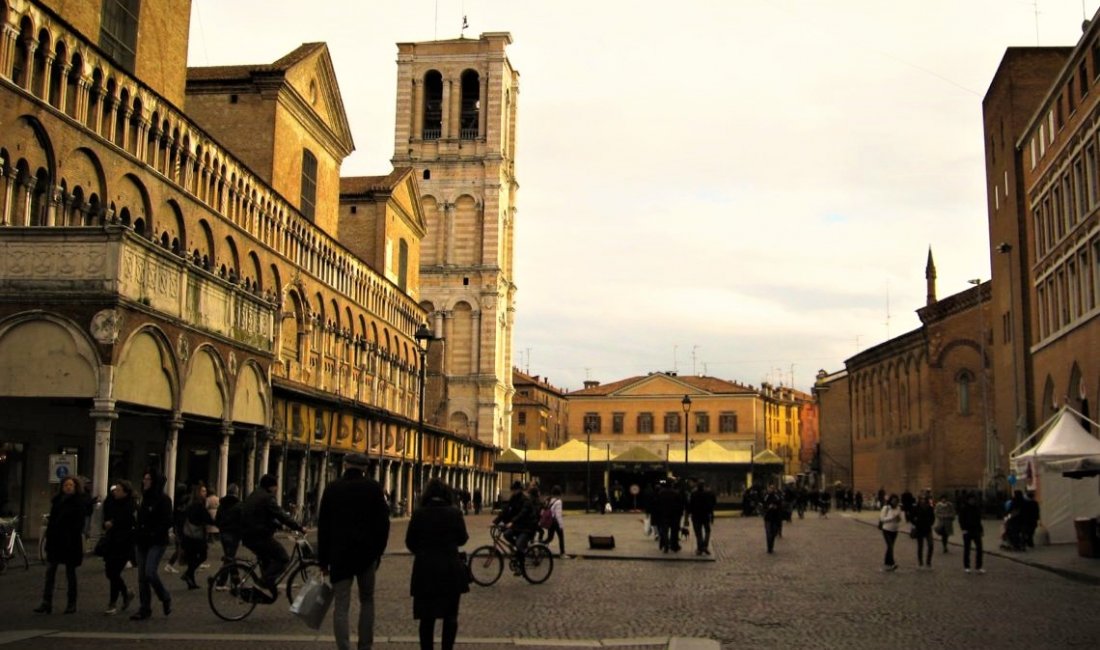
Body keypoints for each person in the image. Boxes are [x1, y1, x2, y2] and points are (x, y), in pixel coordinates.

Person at [318, 454, 390, 650]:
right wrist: (378, 552)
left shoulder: (332, 489)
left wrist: (323, 561)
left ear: (345, 465)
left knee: (341, 604)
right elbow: (383, 524)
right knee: (367, 600)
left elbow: (323, 526)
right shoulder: (374, 488)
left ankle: (344, 647)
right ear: (364, 468)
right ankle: (365, 646)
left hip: (339, 555)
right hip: (367, 555)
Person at [405, 479, 469, 650]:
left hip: (425, 570)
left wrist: (423, 550)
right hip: (450, 569)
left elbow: (410, 542)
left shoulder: (419, 513)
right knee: (450, 616)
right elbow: (463, 538)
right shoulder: (454, 513)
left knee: (426, 618)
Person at [241, 474, 305, 602]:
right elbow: (280, 514)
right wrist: (299, 527)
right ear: (271, 486)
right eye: (276, 486)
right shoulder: (267, 498)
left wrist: (278, 525)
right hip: (259, 536)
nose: (277, 489)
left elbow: (263, 515)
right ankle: (261, 584)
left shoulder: (255, 495)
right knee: (282, 558)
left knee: (268, 562)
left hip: (248, 535)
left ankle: (268, 590)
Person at [34, 475, 87, 614]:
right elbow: (52, 523)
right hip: (55, 542)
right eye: (66, 485)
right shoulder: (57, 501)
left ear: (75, 487)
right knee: (50, 571)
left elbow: (79, 524)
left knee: (70, 573)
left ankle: (71, 603)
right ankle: (46, 602)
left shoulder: (78, 503)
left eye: (71, 485)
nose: (68, 487)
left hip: (70, 543)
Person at [131, 469, 173, 620]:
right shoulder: (144, 498)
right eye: (144, 479)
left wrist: (153, 532)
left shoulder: (164, 500)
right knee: (142, 577)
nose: (145, 481)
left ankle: (165, 596)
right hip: (141, 541)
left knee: (150, 572)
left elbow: (167, 521)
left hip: (156, 541)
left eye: (148, 479)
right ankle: (145, 608)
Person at [101, 480, 136, 615]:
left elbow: (128, 521)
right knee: (110, 572)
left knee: (114, 572)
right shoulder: (111, 502)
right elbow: (106, 518)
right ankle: (126, 592)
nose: (116, 491)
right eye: (115, 489)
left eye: (119, 490)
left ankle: (112, 603)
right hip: (112, 541)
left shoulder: (131, 505)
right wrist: (107, 524)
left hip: (124, 543)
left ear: (126, 492)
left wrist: (113, 523)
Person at [493, 481, 536, 565]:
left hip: (527, 527)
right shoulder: (513, 498)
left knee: (519, 544)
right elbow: (506, 510)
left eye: (515, 490)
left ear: (520, 490)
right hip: (518, 526)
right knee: (506, 534)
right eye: (512, 490)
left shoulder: (525, 500)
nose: (513, 492)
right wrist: (495, 522)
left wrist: (512, 522)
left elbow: (522, 513)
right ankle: (518, 549)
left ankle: (521, 563)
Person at [180, 483, 214, 590]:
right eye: (203, 491)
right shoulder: (199, 506)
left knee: (192, 558)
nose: (205, 493)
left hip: (188, 536)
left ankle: (191, 581)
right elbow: (207, 518)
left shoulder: (190, 505)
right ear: (198, 493)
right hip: (196, 536)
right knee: (202, 555)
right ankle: (188, 574)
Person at [214, 484, 242, 570]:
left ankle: (228, 578)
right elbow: (242, 519)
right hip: (234, 534)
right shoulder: (239, 505)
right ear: (236, 492)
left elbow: (217, 519)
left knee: (229, 557)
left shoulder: (222, 505)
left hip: (223, 533)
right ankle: (225, 579)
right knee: (230, 557)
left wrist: (221, 527)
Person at [958, 493, 985, 574]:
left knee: (979, 548)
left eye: (973, 499)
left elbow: (978, 520)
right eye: (971, 499)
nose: (972, 501)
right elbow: (961, 519)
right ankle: (967, 566)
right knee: (967, 549)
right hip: (967, 531)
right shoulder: (964, 509)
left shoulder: (976, 508)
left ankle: (978, 566)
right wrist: (963, 529)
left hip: (976, 530)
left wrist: (981, 530)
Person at [688, 479, 716, 555]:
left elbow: (690, 504)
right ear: (704, 486)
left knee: (698, 533)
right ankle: (705, 546)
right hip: (705, 515)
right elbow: (713, 503)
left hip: (696, 515)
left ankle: (700, 548)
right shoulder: (709, 493)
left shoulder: (693, 494)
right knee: (707, 531)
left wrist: (689, 513)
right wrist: (710, 512)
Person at [909, 494, 936, 569]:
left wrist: (930, 523)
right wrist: (915, 522)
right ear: (919, 500)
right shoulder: (916, 508)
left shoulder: (930, 508)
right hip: (919, 529)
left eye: (924, 499)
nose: (923, 500)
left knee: (931, 545)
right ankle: (920, 562)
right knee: (920, 546)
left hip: (927, 529)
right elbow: (911, 517)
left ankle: (928, 561)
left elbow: (933, 517)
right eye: (921, 499)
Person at [879, 494, 903, 572]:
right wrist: (892, 517)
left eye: (896, 501)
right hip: (886, 529)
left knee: (890, 546)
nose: (894, 502)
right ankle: (892, 563)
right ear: (890, 501)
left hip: (894, 530)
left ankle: (887, 562)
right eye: (893, 500)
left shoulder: (898, 508)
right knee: (890, 546)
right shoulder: (886, 508)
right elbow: (882, 519)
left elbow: (899, 520)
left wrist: (898, 518)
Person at [541, 485, 566, 557]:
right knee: (561, 537)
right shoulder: (558, 501)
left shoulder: (549, 500)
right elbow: (558, 515)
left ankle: (540, 545)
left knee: (550, 538)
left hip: (550, 521)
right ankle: (562, 553)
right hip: (555, 522)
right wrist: (561, 525)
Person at [762, 484, 784, 554]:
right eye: (769, 488)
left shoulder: (777, 497)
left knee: (773, 533)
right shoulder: (766, 496)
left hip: (775, 518)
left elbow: (780, 505)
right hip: (768, 518)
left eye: (771, 488)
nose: (770, 489)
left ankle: (771, 546)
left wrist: (775, 507)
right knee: (768, 533)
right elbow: (763, 505)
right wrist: (767, 508)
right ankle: (769, 548)